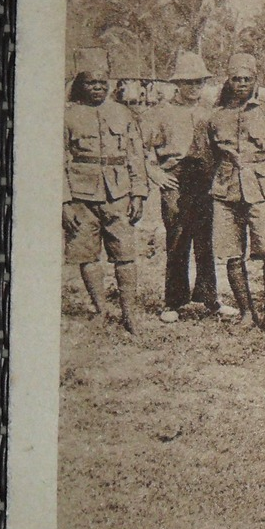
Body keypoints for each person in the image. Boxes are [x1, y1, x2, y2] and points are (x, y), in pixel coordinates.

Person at [144, 50, 237, 323]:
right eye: (188, 82)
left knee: (206, 240)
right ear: (177, 84)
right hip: (175, 178)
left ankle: (211, 299)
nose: (194, 87)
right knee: (177, 238)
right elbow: (140, 150)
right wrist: (155, 174)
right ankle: (173, 301)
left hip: (205, 180)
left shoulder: (210, 113)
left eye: (199, 82)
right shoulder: (160, 113)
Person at [203, 52, 265, 334]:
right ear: (227, 81)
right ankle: (246, 314)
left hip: (262, 191)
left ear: (255, 81)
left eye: (247, 79)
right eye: (236, 79)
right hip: (226, 193)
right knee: (232, 254)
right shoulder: (216, 117)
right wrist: (220, 182)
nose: (241, 83)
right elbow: (208, 158)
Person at [62, 47, 149, 335]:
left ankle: (129, 314)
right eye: (90, 82)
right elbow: (58, 161)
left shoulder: (122, 113)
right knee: (87, 255)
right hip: (81, 196)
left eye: (102, 82)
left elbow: (136, 155)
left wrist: (138, 193)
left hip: (118, 194)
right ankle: (101, 310)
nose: (97, 88)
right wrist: (64, 202)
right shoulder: (68, 116)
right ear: (80, 84)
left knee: (125, 254)